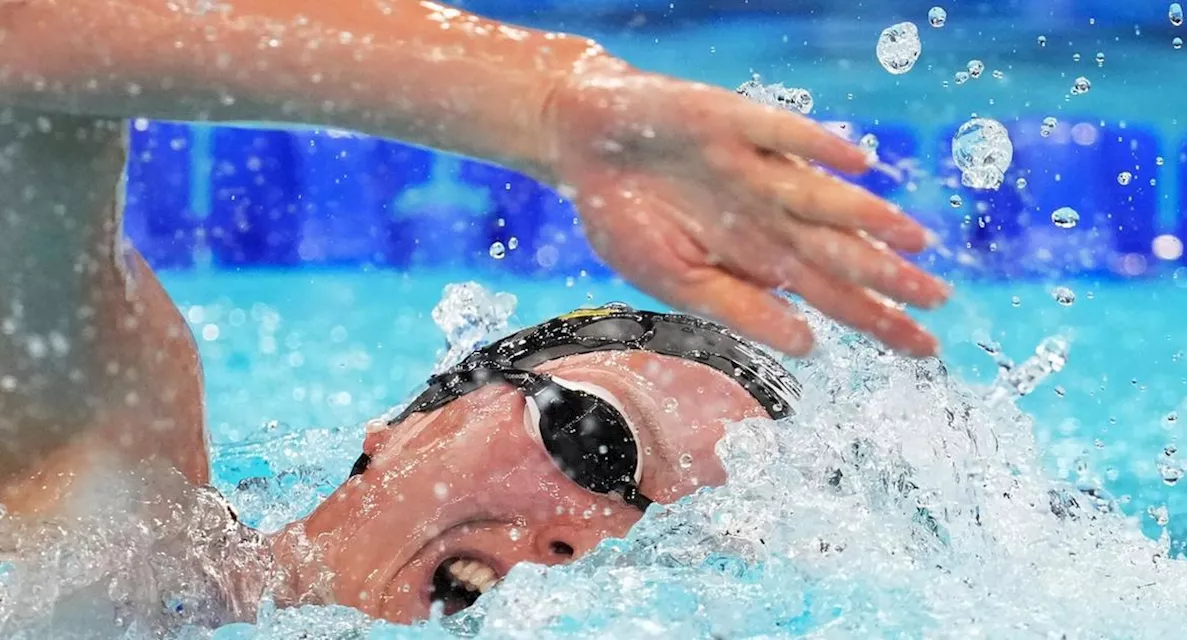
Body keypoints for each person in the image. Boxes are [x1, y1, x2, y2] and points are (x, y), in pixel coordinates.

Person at [0, 0, 950, 633]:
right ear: (412, 425)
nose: (595, 539)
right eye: (598, 442)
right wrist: (549, 103)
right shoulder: (114, 510)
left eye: (684, 544)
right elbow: (26, 53)